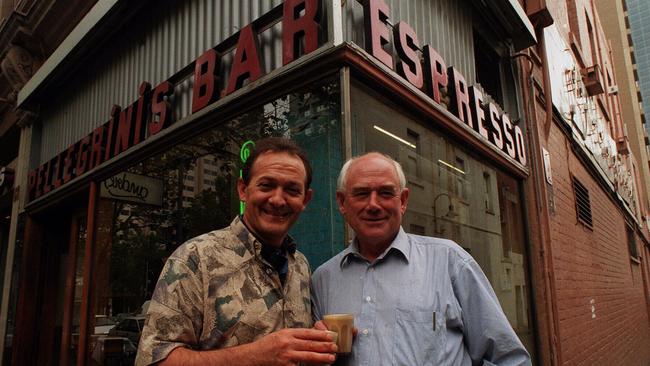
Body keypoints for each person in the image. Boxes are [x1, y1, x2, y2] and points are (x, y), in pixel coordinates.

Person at [311, 152, 531, 365]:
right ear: (341, 202)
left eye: (386, 193)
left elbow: (510, 359)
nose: (374, 205)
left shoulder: (450, 262)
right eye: (361, 194)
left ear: (403, 200)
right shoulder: (323, 279)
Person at [136, 137, 337, 366]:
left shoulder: (300, 265)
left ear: (305, 200)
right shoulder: (195, 258)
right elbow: (153, 361)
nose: (278, 199)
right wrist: (254, 355)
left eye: (292, 190)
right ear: (243, 189)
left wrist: (318, 338)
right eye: (266, 185)